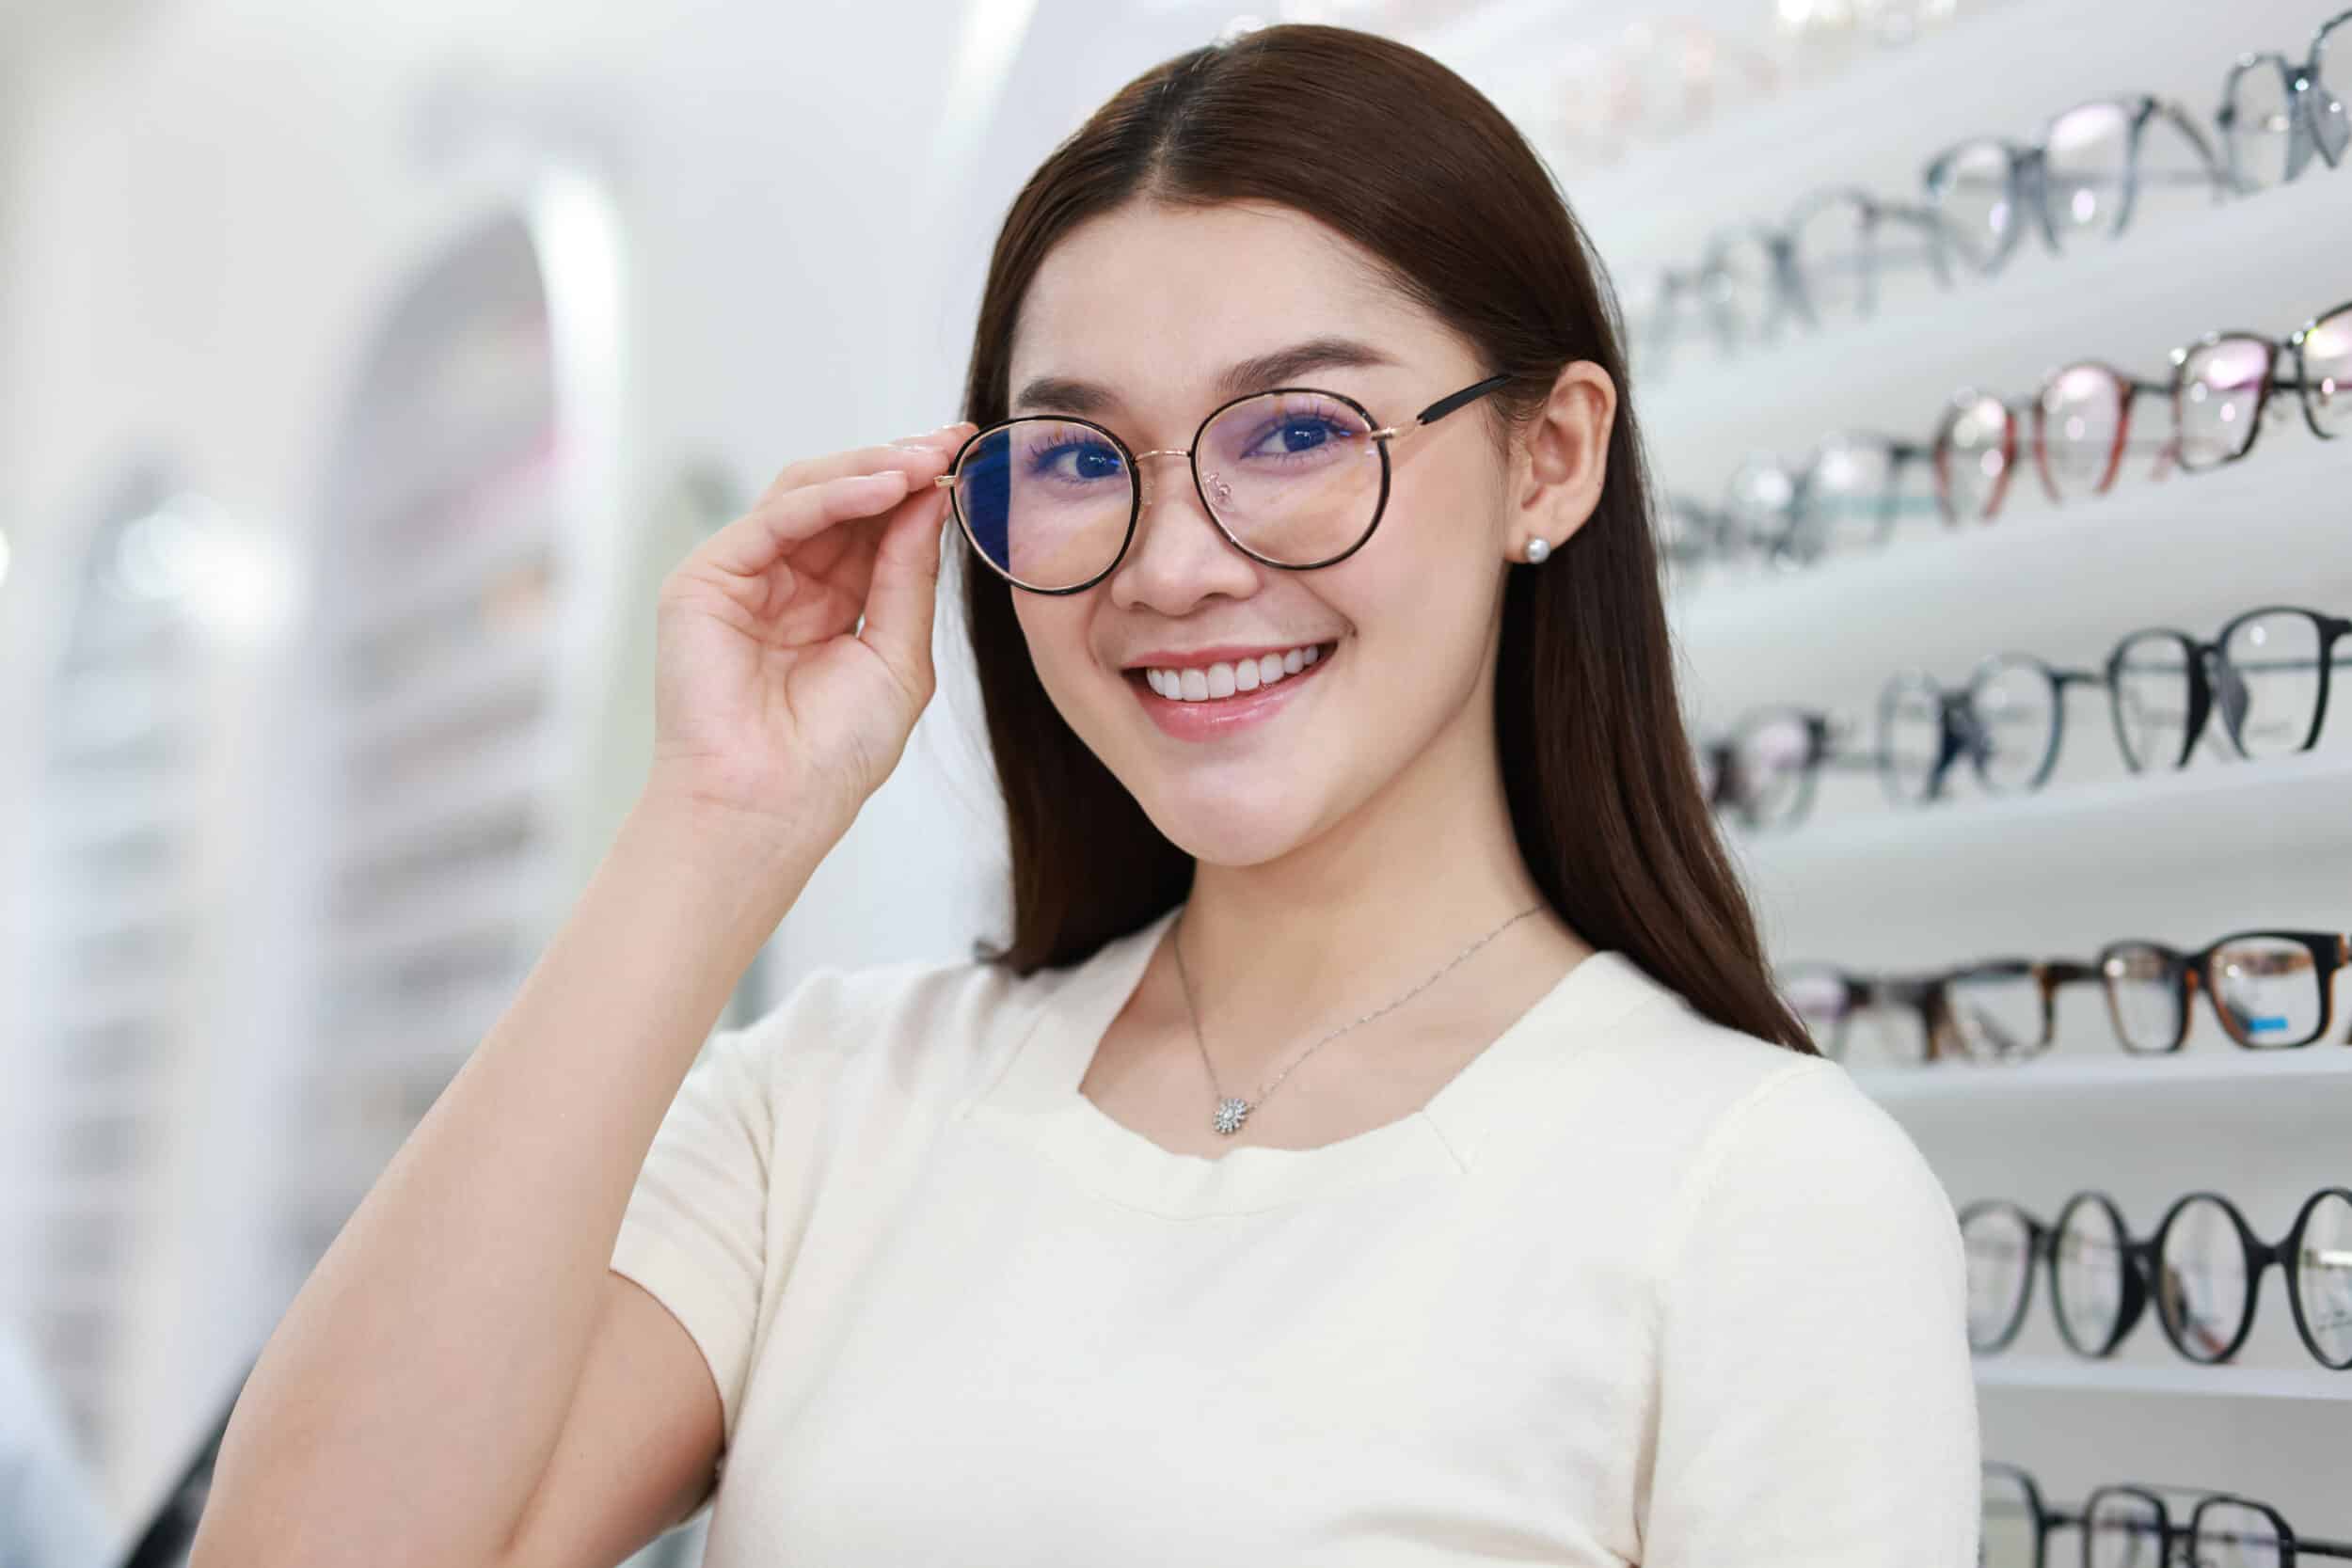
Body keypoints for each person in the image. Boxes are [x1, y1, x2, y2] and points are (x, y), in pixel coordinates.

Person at [189, 21, 1978, 1568]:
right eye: (1080, 459)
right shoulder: (836, 1105)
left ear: (1549, 457)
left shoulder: (1762, 1193)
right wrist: (714, 829)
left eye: (1294, 432)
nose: (1176, 564)